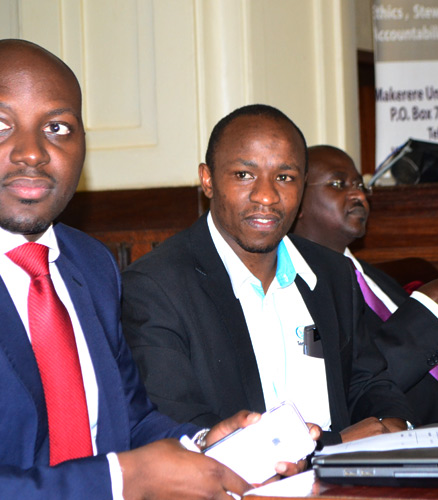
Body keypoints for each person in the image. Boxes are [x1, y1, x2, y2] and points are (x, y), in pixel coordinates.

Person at [0, 39, 303, 500]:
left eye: (57, 127)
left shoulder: (90, 263)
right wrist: (120, 481)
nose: (32, 152)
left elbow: (129, 420)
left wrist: (204, 446)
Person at [121, 104, 419, 445]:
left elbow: (369, 382)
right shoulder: (155, 287)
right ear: (208, 179)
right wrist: (335, 444)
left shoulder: (331, 273)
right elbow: (183, 426)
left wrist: (392, 424)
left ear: (303, 186)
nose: (266, 195)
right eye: (244, 175)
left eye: (284, 177)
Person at [291, 144, 438, 423]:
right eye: (338, 184)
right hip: (423, 435)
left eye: (359, 184)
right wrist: (432, 302)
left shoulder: (371, 277)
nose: (358, 194)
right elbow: (359, 384)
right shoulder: (299, 290)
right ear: (295, 202)